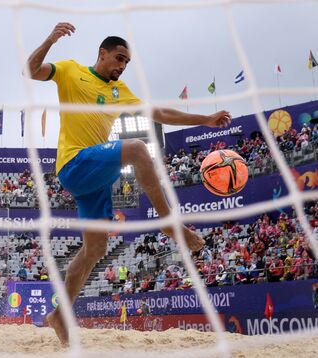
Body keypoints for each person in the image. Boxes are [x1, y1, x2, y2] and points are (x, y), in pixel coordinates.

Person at [26, 23, 232, 345]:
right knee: (136, 148)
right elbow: (31, 70)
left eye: (127, 63)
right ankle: (169, 225)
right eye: (119, 58)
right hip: (73, 164)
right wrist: (50, 39)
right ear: (102, 53)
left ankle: (59, 315)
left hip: (93, 178)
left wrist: (204, 119)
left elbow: (159, 112)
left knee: (95, 249)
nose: (122, 66)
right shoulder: (70, 71)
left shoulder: (119, 93)